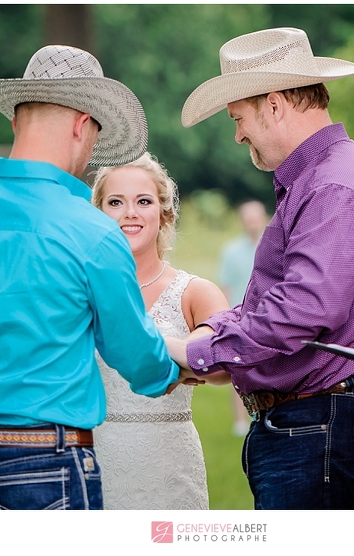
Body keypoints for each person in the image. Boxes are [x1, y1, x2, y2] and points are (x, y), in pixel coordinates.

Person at [0, 45, 180, 510]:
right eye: (94, 140)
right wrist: (177, 369)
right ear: (82, 124)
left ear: (15, 122)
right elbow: (134, 354)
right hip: (49, 463)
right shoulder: (94, 232)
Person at [167, 27, 354, 510]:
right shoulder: (321, 182)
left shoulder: (335, 185)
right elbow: (277, 300)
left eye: (238, 118)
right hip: (319, 423)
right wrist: (214, 330)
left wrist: (201, 353)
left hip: (321, 422)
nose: (237, 135)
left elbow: (303, 308)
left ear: (274, 106)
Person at [90, 152, 229, 509]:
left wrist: (167, 350)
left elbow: (225, 363)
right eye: (116, 202)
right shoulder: (82, 292)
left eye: (144, 201)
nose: (130, 213)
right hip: (97, 458)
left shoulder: (195, 292)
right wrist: (183, 360)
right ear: (98, 212)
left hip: (171, 466)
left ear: (164, 213)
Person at [217, 200, 269, 436]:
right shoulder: (231, 251)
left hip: (267, 319)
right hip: (240, 318)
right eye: (248, 218)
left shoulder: (273, 248)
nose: (252, 223)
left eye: (255, 217)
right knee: (237, 370)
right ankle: (239, 421)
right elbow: (226, 286)